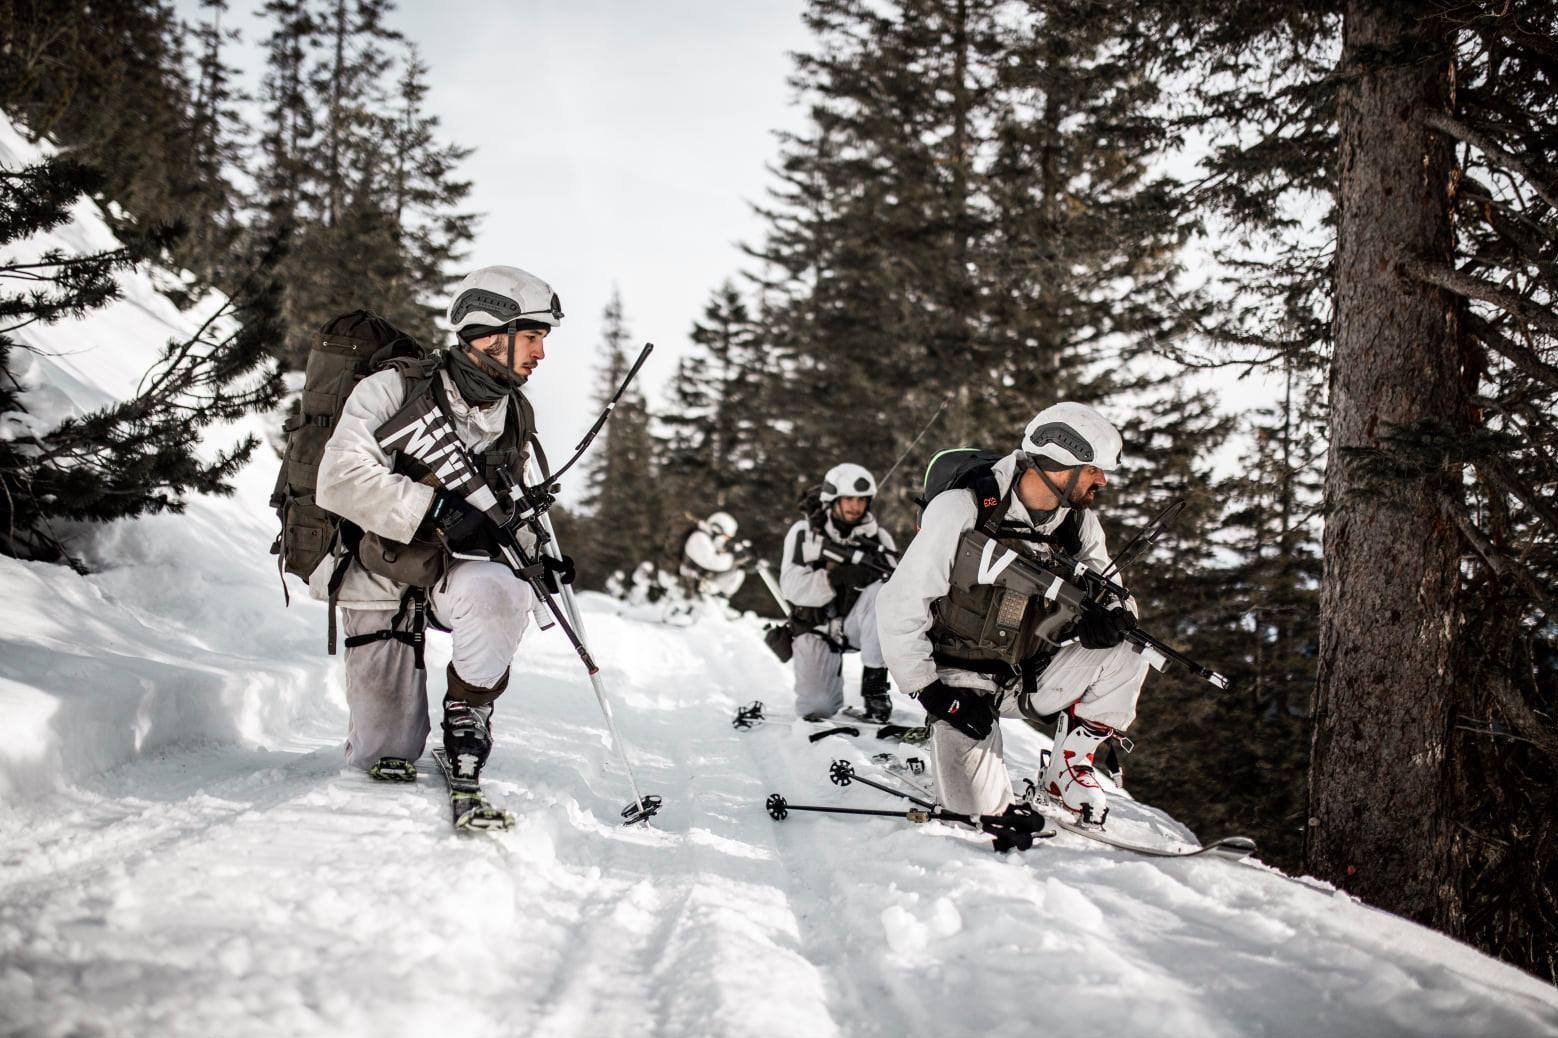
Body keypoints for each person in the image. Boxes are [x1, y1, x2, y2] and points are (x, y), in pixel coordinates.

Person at [311, 265, 571, 784]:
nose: (541, 353)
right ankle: (393, 739)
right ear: (493, 332)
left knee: (501, 592)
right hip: (377, 569)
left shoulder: (514, 412)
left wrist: (534, 553)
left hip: (454, 571)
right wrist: (438, 511)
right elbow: (339, 480)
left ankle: (467, 711)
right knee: (386, 753)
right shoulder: (393, 391)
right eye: (534, 337)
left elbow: (508, 504)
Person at [875, 402, 1145, 826]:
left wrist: (1114, 616)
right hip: (959, 683)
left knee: (1131, 646)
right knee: (979, 812)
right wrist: (933, 694)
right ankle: (948, 743)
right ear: (1061, 464)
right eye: (1094, 470)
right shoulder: (961, 509)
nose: (1103, 481)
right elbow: (899, 605)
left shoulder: (1079, 525)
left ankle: (1067, 771)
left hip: (1029, 675)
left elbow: (1117, 593)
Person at [779, 463, 897, 721]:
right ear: (833, 500)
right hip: (817, 627)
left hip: (858, 626)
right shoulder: (804, 533)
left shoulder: (879, 538)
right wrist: (835, 578)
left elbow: (899, 592)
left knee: (886, 593)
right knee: (818, 709)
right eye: (849, 499)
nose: (856, 506)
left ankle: (875, 687)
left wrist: (872, 578)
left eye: (862, 500)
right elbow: (790, 587)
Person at [680, 511, 748, 601]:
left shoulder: (708, 539)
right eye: (726, 536)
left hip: (699, 581)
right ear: (716, 530)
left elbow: (717, 552)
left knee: (738, 570)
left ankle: (722, 596)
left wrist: (736, 555)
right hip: (687, 582)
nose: (725, 539)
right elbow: (712, 562)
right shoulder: (699, 537)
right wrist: (733, 557)